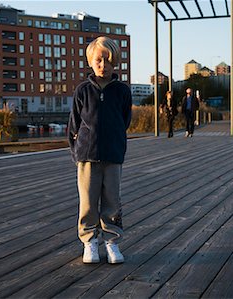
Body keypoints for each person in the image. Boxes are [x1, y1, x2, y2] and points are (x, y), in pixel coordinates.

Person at [68, 36, 132, 264]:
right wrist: (77, 152)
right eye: (98, 60)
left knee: (112, 201)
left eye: (108, 61)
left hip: (113, 156)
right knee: (87, 201)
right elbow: (73, 124)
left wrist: (116, 141)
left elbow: (125, 120)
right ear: (91, 61)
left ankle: (112, 242)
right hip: (87, 156)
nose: (103, 65)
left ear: (115, 62)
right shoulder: (83, 90)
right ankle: (89, 242)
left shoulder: (122, 91)